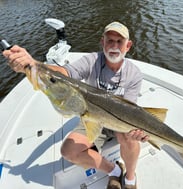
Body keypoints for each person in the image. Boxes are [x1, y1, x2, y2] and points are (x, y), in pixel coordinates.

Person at [3, 21, 149, 189]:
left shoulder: (134, 74)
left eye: (119, 42)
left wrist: (138, 132)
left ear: (128, 46)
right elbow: (65, 73)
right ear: (102, 42)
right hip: (92, 118)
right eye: (110, 40)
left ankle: (130, 179)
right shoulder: (91, 60)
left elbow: (129, 110)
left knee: (129, 137)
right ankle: (115, 170)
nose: (114, 46)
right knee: (68, 152)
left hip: (120, 122)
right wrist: (34, 65)